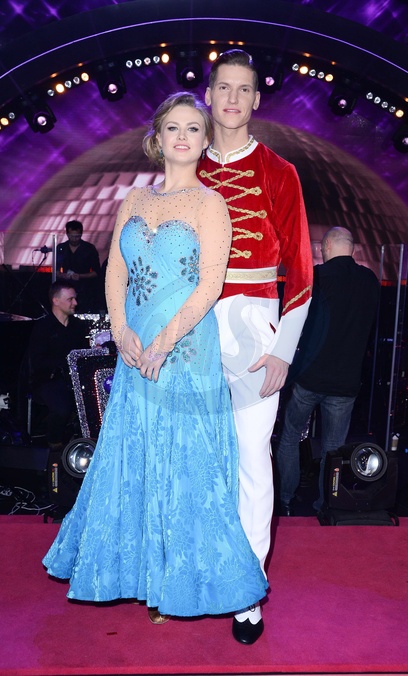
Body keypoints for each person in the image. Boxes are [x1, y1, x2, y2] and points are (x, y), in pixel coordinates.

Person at [42, 92, 268, 631]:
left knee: (185, 462)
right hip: (134, 347)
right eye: (173, 128)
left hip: (185, 349)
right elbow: (115, 273)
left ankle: (184, 580)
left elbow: (210, 284)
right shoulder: (132, 201)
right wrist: (122, 332)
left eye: (193, 128)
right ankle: (147, 575)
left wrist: (163, 341)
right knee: (138, 454)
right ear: (157, 138)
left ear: (205, 140)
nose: (183, 137)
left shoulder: (211, 203)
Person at [198, 49, 313, 643]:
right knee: (194, 458)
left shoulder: (280, 172)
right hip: (191, 330)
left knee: (250, 458)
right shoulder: (185, 164)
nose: (233, 99)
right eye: (225, 87)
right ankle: (191, 574)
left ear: (257, 100)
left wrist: (283, 350)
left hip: (255, 327)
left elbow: (302, 270)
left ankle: (247, 589)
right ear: (208, 94)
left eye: (244, 89)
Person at [275, 227, 380, 515]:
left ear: (327, 246)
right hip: (346, 381)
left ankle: (285, 500)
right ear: (352, 249)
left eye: (321, 248)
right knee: (334, 449)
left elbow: (296, 321)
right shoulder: (370, 281)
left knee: (289, 437)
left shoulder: (317, 277)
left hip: (309, 377)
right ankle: (327, 506)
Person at [27, 280, 88, 450]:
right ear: (56, 300)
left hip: (73, 379)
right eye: (70, 299)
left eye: (74, 298)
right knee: (62, 407)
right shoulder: (43, 327)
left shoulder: (78, 326)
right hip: (48, 379)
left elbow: (82, 353)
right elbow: (37, 361)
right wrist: (64, 363)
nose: (75, 303)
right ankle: (54, 443)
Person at [56, 220, 101, 312]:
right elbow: (55, 270)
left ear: (81, 234)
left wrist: (80, 276)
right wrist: (62, 275)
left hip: (85, 289)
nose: (74, 239)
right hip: (66, 288)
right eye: (71, 236)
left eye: (77, 236)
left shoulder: (89, 248)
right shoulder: (61, 248)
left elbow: (96, 272)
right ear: (67, 234)